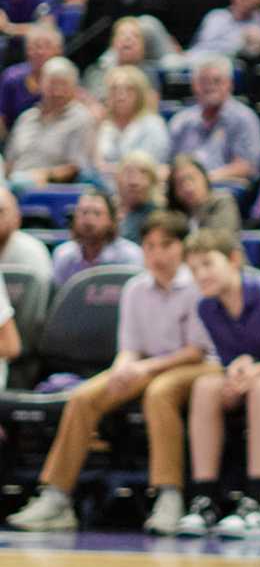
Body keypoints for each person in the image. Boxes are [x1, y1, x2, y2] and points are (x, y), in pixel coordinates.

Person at [6, 211, 207, 535]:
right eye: (150, 246)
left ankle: (169, 495)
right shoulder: (134, 288)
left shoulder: (196, 287)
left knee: (159, 394)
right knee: (85, 396)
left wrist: (141, 367)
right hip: (146, 364)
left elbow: (196, 350)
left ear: (182, 248)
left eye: (165, 245)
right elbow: (128, 346)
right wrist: (122, 367)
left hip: (193, 367)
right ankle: (57, 498)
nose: (156, 254)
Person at [173, 228, 260, 539]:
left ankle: (256, 503)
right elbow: (235, 358)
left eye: (207, 264)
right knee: (205, 387)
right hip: (253, 375)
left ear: (234, 260)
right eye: (193, 269)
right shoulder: (207, 307)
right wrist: (236, 373)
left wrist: (256, 370)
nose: (200, 275)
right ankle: (204, 500)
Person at [168, 54, 260, 185]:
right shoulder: (181, 120)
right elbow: (169, 163)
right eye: (203, 81)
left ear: (229, 85)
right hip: (183, 189)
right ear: (194, 86)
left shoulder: (244, 118)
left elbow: (246, 167)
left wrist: (204, 179)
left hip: (222, 190)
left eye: (217, 81)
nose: (210, 87)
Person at [5, 57, 94, 185]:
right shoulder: (26, 118)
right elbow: (10, 161)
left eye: (63, 84)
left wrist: (46, 175)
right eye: (52, 84)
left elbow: (76, 167)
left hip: (52, 189)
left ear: (74, 88)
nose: (57, 91)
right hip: (14, 183)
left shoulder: (81, 119)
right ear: (41, 84)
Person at [50, 188, 145, 285]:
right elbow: (58, 298)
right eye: (83, 212)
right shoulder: (63, 255)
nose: (88, 220)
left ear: (111, 220)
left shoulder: (130, 257)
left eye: (97, 213)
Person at [93, 64, 170, 178]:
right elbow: (95, 165)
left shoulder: (153, 125)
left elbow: (149, 169)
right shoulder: (104, 126)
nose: (121, 96)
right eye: (115, 89)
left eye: (129, 90)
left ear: (140, 94)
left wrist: (109, 169)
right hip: (104, 187)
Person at [166, 151, 242, 236]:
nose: (188, 187)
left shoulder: (222, 202)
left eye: (192, 178)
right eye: (180, 183)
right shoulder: (176, 214)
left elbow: (220, 240)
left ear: (205, 178)